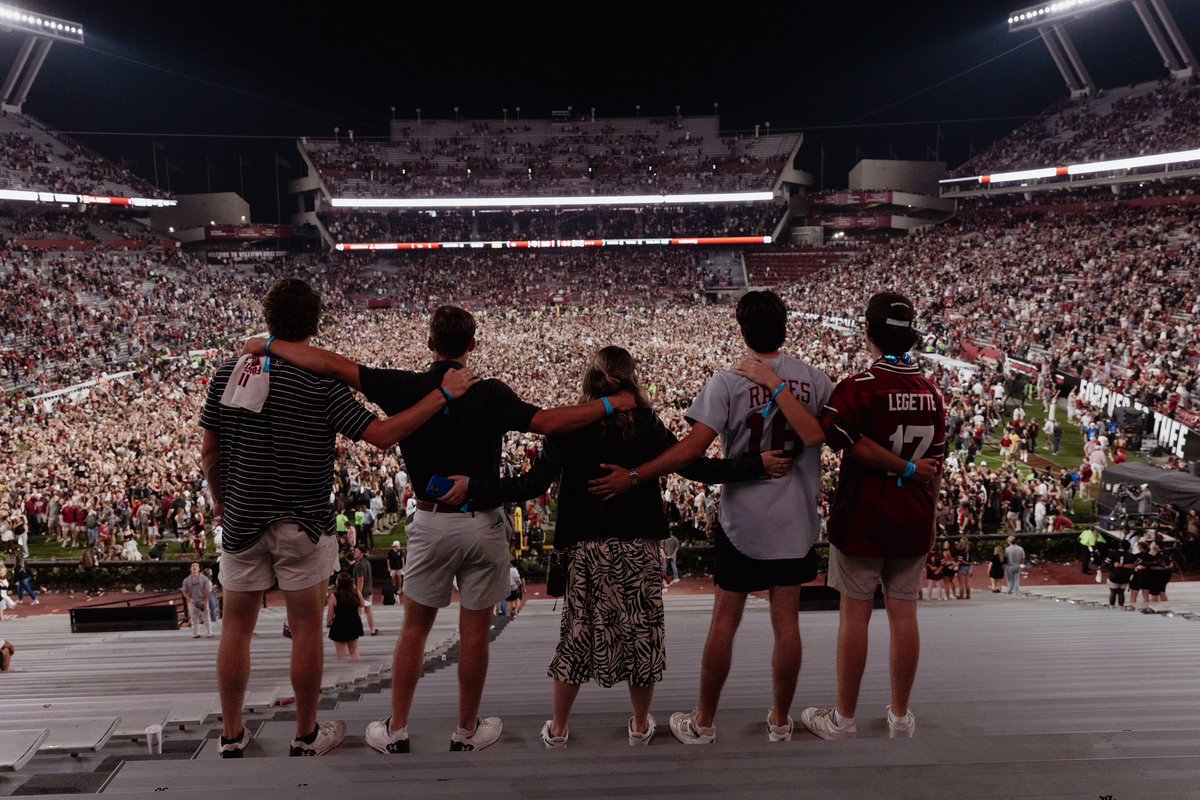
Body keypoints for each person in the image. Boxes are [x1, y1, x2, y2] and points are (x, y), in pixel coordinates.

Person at [247, 304, 638, 755]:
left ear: (430, 344)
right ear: (473, 345)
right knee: (475, 630)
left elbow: (335, 365)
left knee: (415, 629)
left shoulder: (409, 386)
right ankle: (467, 730)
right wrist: (611, 402)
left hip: (431, 522)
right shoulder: (490, 392)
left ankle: (397, 729)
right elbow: (548, 423)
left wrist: (271, 344)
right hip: (482, 522)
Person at [589, 291, 934, 745]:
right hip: (796, 522)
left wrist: (635, 475)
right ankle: (781, 721)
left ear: (741, 328)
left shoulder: (727, 380)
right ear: (787, 326)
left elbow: (692, 452)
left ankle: (705, 723)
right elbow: (835, 438)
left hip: (741, 522)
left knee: (724, 624)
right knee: (786, 623)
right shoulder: (818, 381)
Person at [456, 345, 785, 748]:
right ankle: (640, 724)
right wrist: (757, 465)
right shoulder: (646, 423)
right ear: (631, 379)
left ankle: (558, 729)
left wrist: (474, 488)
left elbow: (532, 485)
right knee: (642, 636)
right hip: (638, 548)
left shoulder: (570, 426)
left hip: (585, 549)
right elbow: (696, 466)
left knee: (576, 638)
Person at [207, 279, 479, 759]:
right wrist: (441, 396)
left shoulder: (227, 373)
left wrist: (219, 499)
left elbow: (211, 448)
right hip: (304, 520)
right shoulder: (318, 381)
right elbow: (380, 435)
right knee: (308, 628)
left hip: (243, 514)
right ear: (315, 324)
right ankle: (305, 734)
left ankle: (231, 737)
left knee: (236, 628)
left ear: (269, 320)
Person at [738, 292, 944, 740]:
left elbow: (834, 439)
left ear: (868, 331)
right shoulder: (932, 393)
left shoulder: (859, 386)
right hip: (914, 517)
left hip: (865, 517)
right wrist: (929, 516)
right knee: (905, 615)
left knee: (855, 615)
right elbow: (937, 467)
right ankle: (901, 716)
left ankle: (845, 718)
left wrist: (775, 384)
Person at [327, 571, 364, 662]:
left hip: (340, 625)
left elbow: (330, 614)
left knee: (341, 654)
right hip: (354, 623)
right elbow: (362, 604)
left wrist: (328, 624)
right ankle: (358, 670)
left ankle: (343, 672)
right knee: (354, 651)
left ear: (339, 583)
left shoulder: (334, 596)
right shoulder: (356, 593)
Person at [350, 545, 377, 636]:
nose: (355, 552)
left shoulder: (359, 565)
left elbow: (360, 580)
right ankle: (372, 630)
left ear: (362, 553)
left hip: (362, 592)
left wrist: (358, 593)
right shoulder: (367, 563)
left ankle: (356, 630)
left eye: (357, 551)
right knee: (368, 610)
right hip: (369, 590)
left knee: (357, 612)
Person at [181, 562, 213, 639]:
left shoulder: (204, 579)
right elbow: (184, 592)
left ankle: (209, 633)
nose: (194, 567)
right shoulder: (186, 580)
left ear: (199, 569)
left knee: (206, 618)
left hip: (202, 600)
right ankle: (195, 634)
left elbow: (207, 591)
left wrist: (205, 602)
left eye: (196, 566)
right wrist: (189, 599)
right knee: (194, 619)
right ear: (190, 569)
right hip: (193, 602)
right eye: (193, 566)